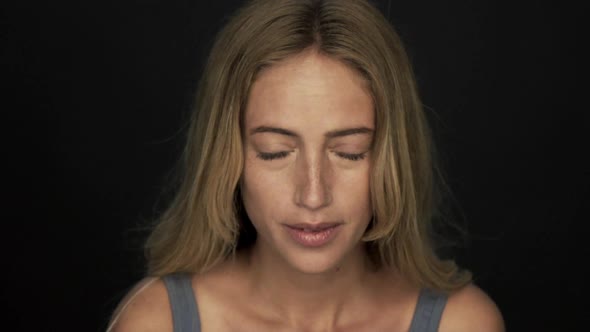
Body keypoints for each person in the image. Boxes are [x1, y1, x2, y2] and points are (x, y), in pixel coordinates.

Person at [107, 0, 504, 331]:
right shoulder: (156, 321)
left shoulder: (462, 323)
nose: (313, 195)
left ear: (393, 157)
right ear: (226, 157)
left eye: (349, 151)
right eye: (275, 151)